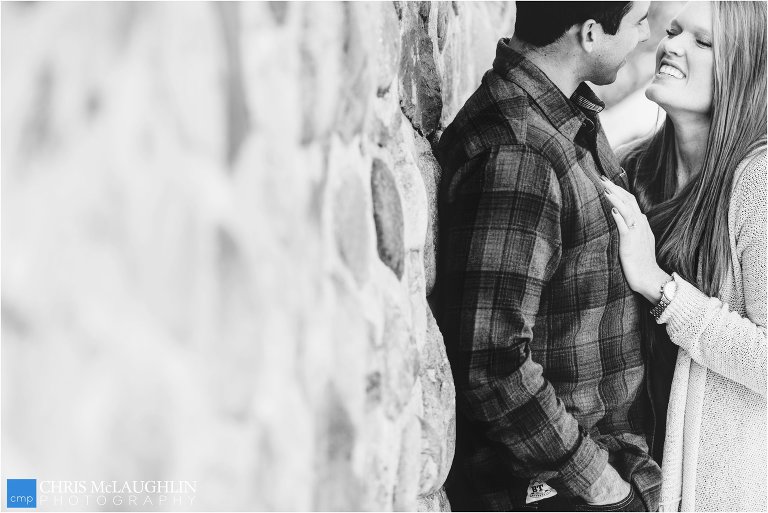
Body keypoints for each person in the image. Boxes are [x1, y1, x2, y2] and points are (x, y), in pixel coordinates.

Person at [435, 2, 661, 511]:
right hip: (556, 496)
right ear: (589, 33)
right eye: (637, 20)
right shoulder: (519, 152)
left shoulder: (565, 115)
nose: (647, 34)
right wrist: (602, 486)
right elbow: (490, 363)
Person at [605, 2, 767, 511]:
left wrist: (660, 286)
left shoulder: (757, 184)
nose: (671, 46)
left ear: (741, 69)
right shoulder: (630, 166)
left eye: (703, 42)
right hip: (625, 480)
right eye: (673, 31)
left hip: (710, 492)